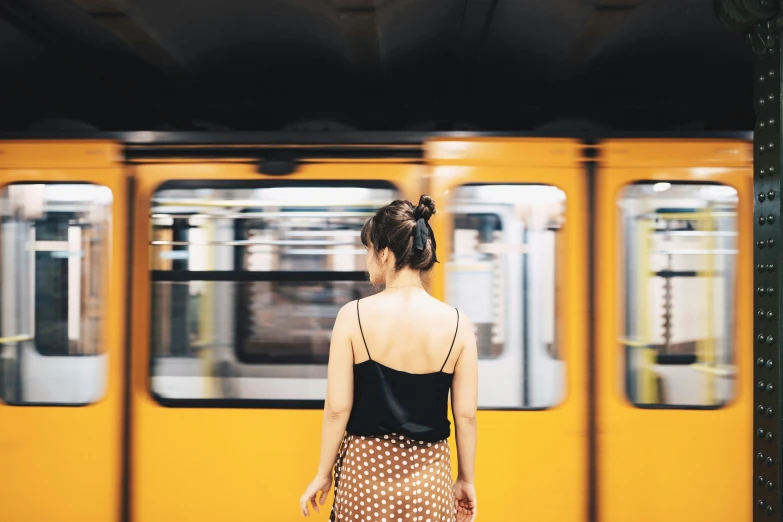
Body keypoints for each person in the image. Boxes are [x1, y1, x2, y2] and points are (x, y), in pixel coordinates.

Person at [299, 195, 478, 522]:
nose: (368, 260)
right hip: (430, 481)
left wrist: (323, 474)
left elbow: (338, 410)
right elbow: (465, 416)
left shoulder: (352, 316)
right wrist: (465, 480)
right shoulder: (458, 324)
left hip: (365, 478)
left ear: (384, 253)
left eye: (368, 250)